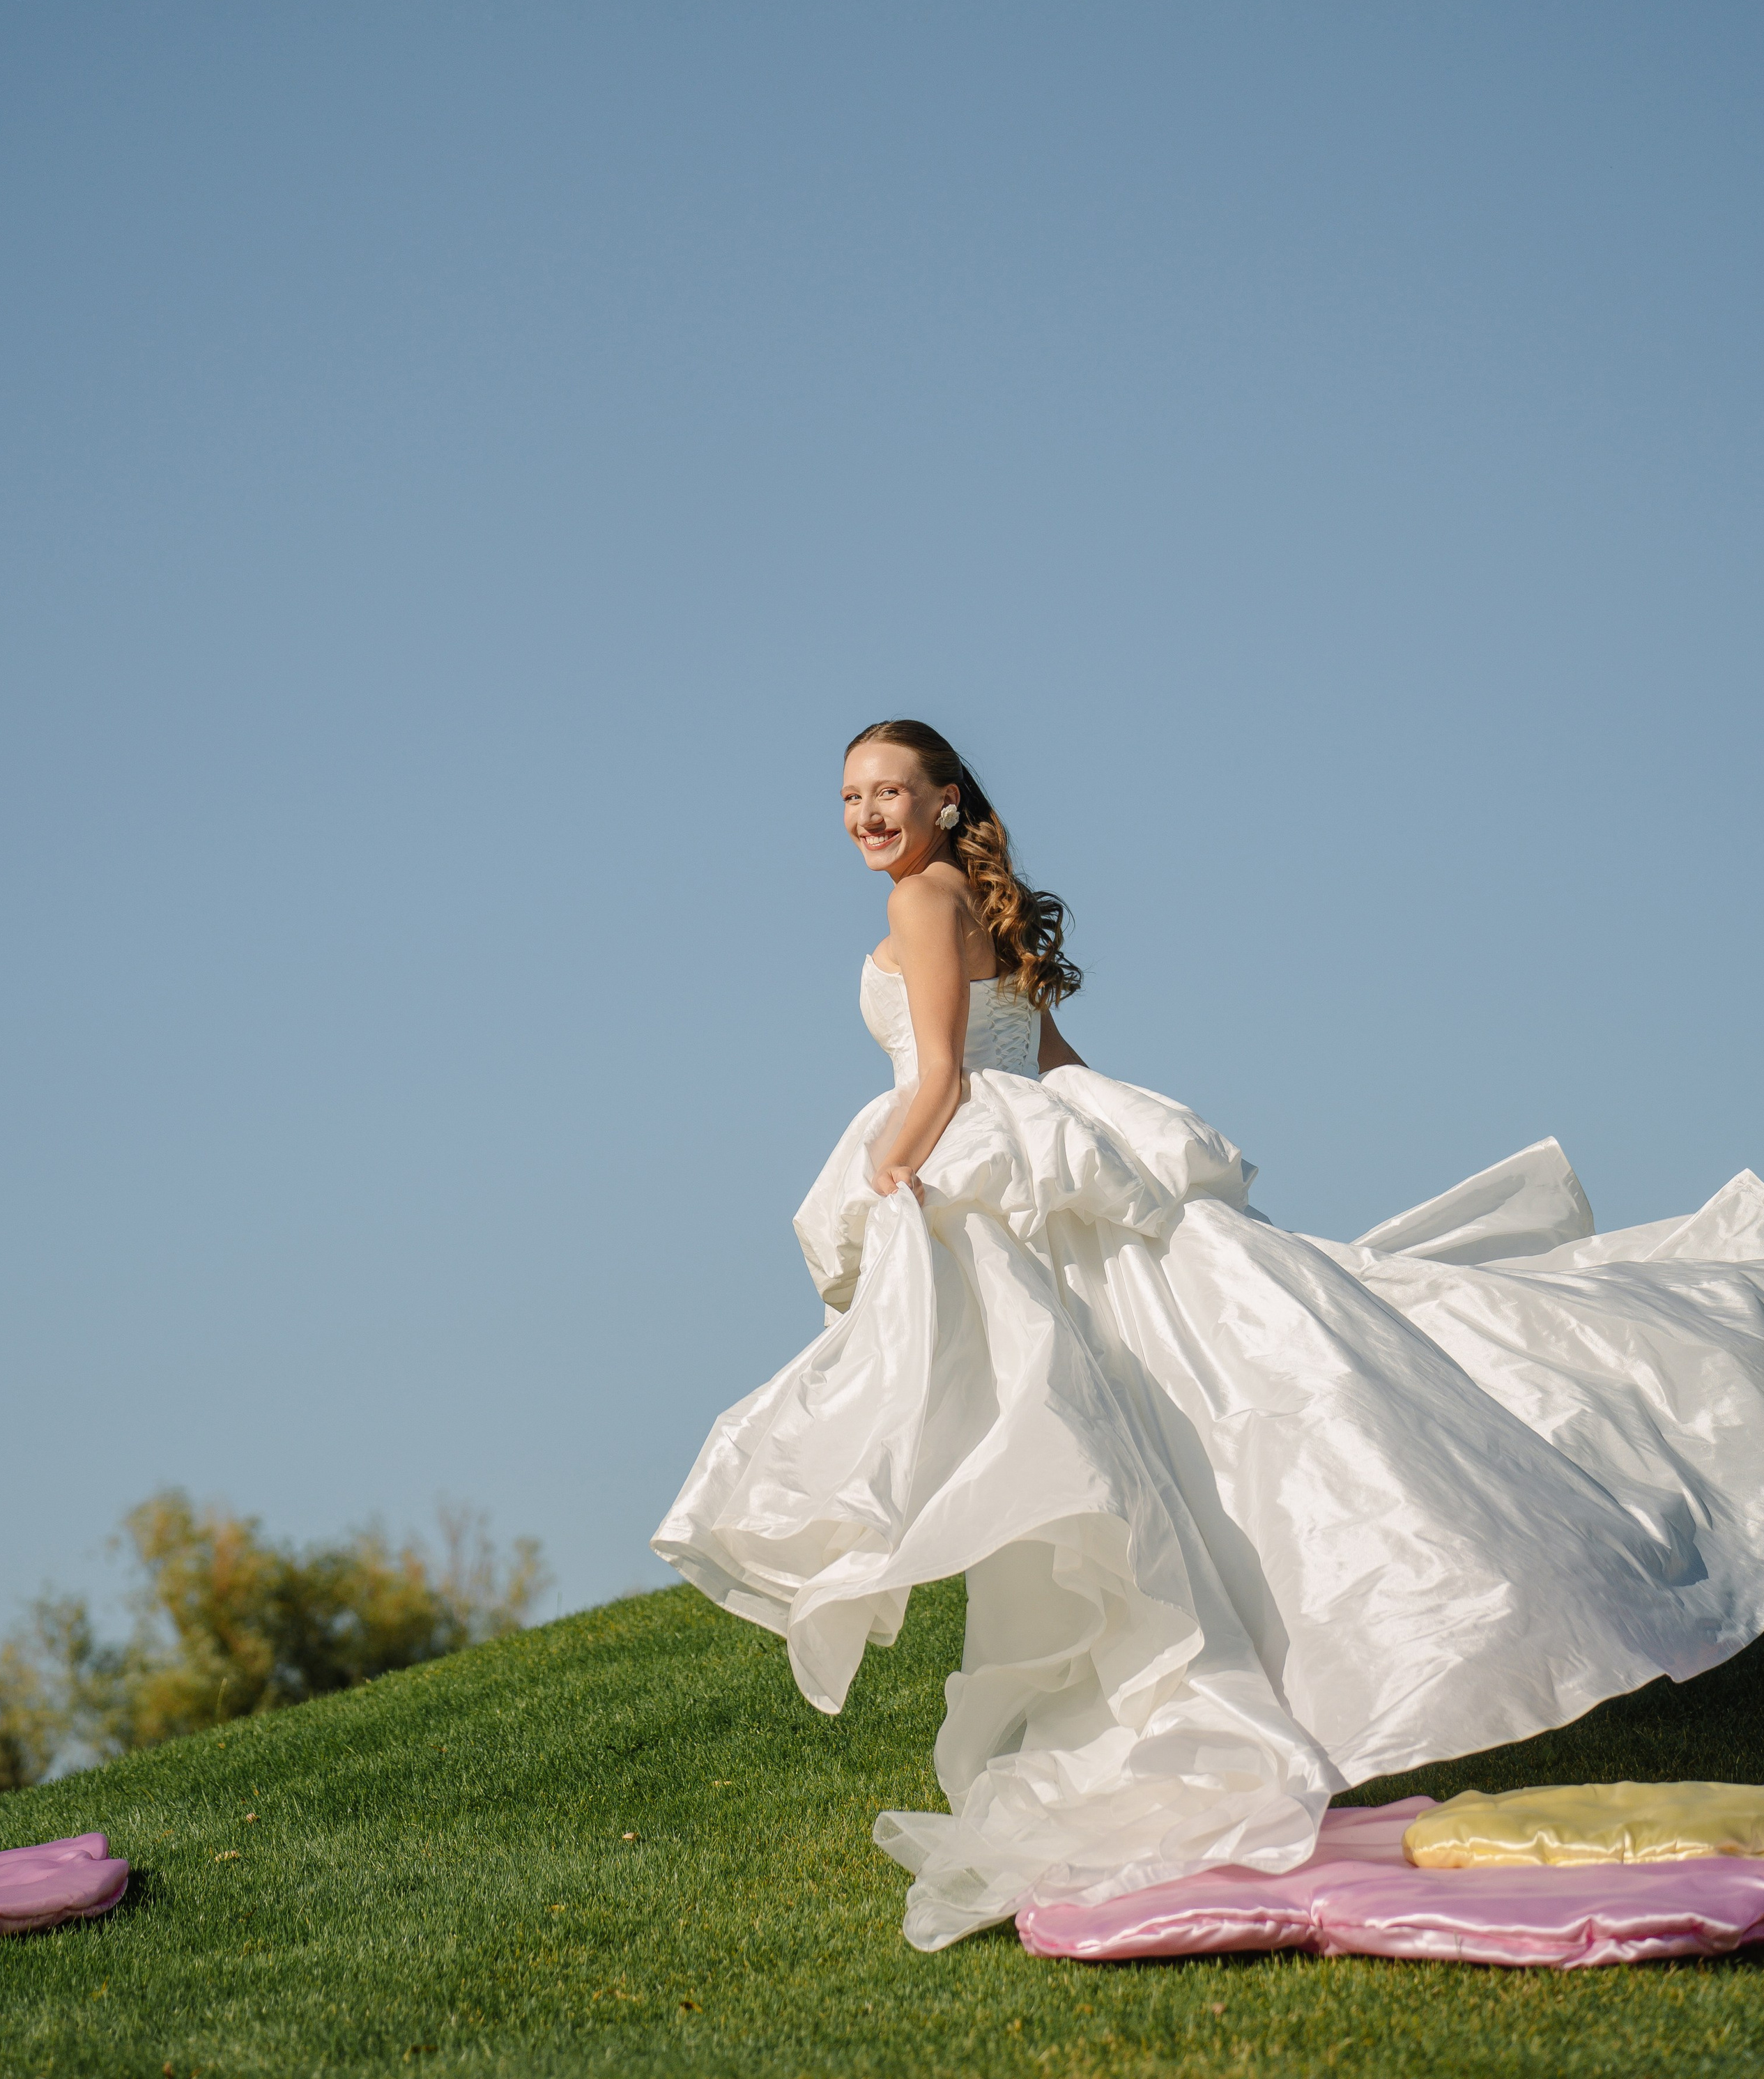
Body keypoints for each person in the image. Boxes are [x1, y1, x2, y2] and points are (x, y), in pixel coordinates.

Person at [654, 719, 1764, 1951]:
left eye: (889, 792)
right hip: (1029, 1171)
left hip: (979, 1166)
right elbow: (1057, 1063)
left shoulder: (922, 898)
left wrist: (881, 1184)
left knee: (1060, 1437)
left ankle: (1162, 1697)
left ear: (946, 799)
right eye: (850, 797)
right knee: (1151, 1417)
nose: (867, 816)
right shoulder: (982, 902)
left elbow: (947, 1076)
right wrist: (1109, 1151)